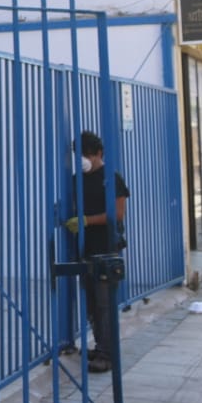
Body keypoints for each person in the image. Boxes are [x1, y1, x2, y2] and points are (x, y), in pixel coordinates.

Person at [65, 130, 129, 373]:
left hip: (107, 250)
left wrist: (87, 221)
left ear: (99, 153)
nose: (83, 159)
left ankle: (108, 355)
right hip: (86, 248)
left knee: (104, 304)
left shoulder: (111, 178)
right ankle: (101, 346)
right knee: (92, 303)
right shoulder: (76, 180)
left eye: (87, 154)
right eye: (79, 155)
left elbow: (118, 214)